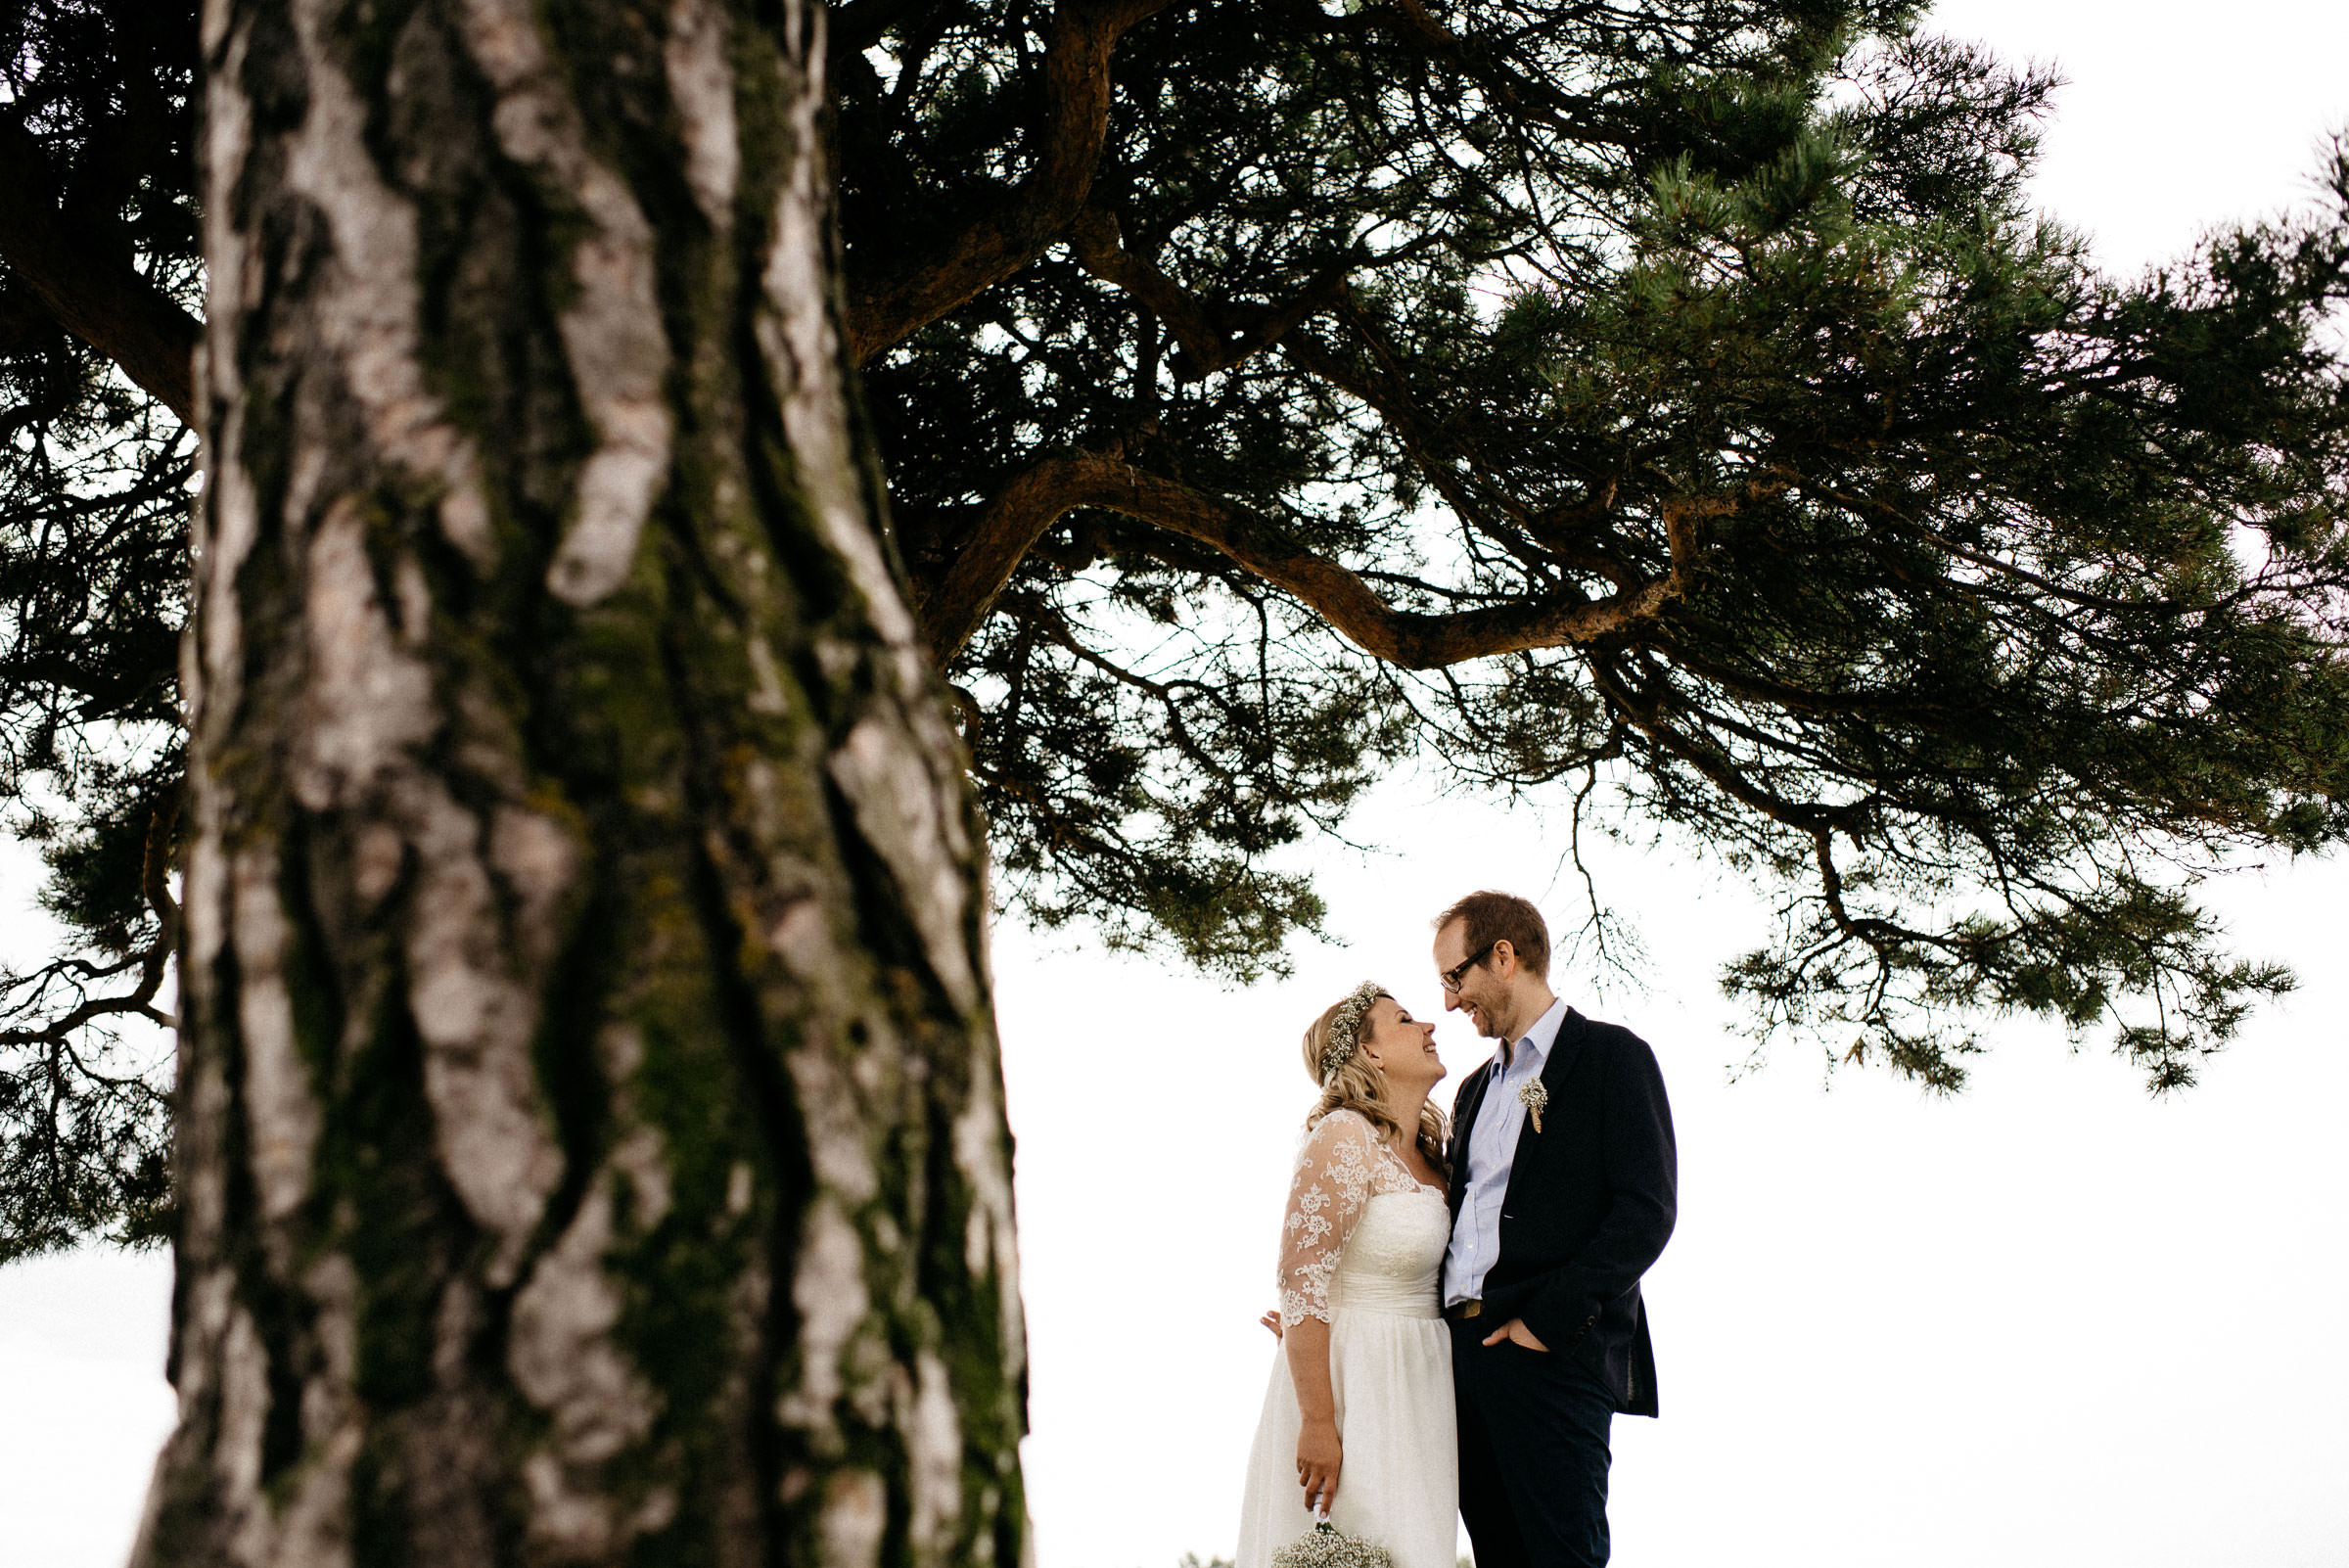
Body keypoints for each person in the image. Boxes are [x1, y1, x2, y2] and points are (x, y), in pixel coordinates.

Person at [1434, 891, 1677, 1568]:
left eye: (1456, 977)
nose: (1451, 1001)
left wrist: (1544, 1324)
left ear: (1503, 957)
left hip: (1551, 1357)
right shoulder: (1474, 1090)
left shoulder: (1612, 1058)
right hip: (1460, 1362)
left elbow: (1645, 1212)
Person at [1236, 983, 1460, 1568]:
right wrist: (1316, 1421)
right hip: (1352, 1391)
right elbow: (1301, 1277)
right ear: (1371, 1054)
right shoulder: (1345, 1134)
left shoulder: (1440, 1161)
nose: (1429, 1026)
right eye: (1405, 1020)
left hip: (1422, 1388)